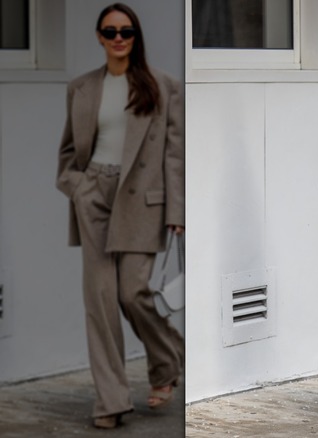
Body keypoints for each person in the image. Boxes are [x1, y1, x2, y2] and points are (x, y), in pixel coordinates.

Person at [56, 3, 184, 429]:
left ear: (135, 35)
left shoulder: (162, 87)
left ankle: (167, 360)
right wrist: (77, 187)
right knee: (99, 302)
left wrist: (176, 210)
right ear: (99, 36)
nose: (118, 38)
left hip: (140, 200)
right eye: (110, 31)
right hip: (93, 193)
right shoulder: (81, 88)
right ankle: (110, 401)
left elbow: (174, 155)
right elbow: (68, 154)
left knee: (132, 292)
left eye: (125, 30)